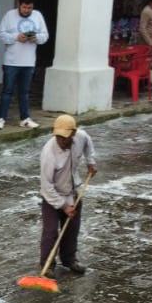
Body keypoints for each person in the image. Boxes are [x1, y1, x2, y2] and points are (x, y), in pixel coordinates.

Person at [39, 114, 98, 276]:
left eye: (65, 137)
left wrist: (91, 162)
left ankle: (69, 260)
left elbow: (88, 144)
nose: (62, 141)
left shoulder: (81, 137)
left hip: (73, 191)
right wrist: (64, 206)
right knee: (51, 232)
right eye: (59, 137)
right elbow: (46, 187)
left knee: (72, 229)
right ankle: (47, 265)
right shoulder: (48, 153)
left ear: (73, 134)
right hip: (53, 196)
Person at [0, 0, 50, 130]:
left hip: (29, 61)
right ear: (19, 5)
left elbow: (45, 36)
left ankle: (25, 118)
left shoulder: (38, 16)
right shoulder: (9, 15)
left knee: (25, 92)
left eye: (29, 8)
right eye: (24, 7)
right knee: (7, 91)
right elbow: (1, 34)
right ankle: (1, 119)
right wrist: (15, 37)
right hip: (11, 61)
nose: (27, 10)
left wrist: (35, 38)